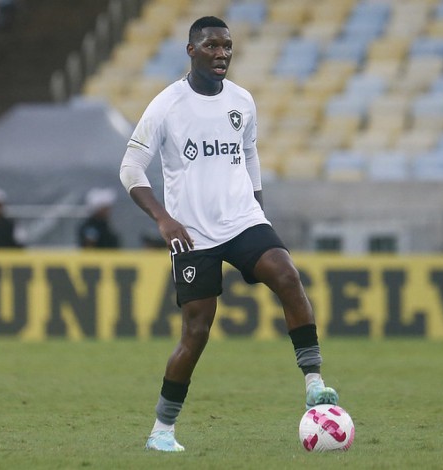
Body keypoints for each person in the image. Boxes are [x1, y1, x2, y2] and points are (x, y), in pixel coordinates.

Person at [119, 16, 338, 453]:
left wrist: (257, 206)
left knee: (287, 274)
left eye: (227, 47)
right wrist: (164, 220)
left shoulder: (242, 100)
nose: (222, 54)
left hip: (241, 219)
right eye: (212, 46)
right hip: (192, 232)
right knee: (196, 332)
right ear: (191, 51)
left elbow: (249, 152)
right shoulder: (166, 105)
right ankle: (163, 430)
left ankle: (314, 382)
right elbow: (130, 169)